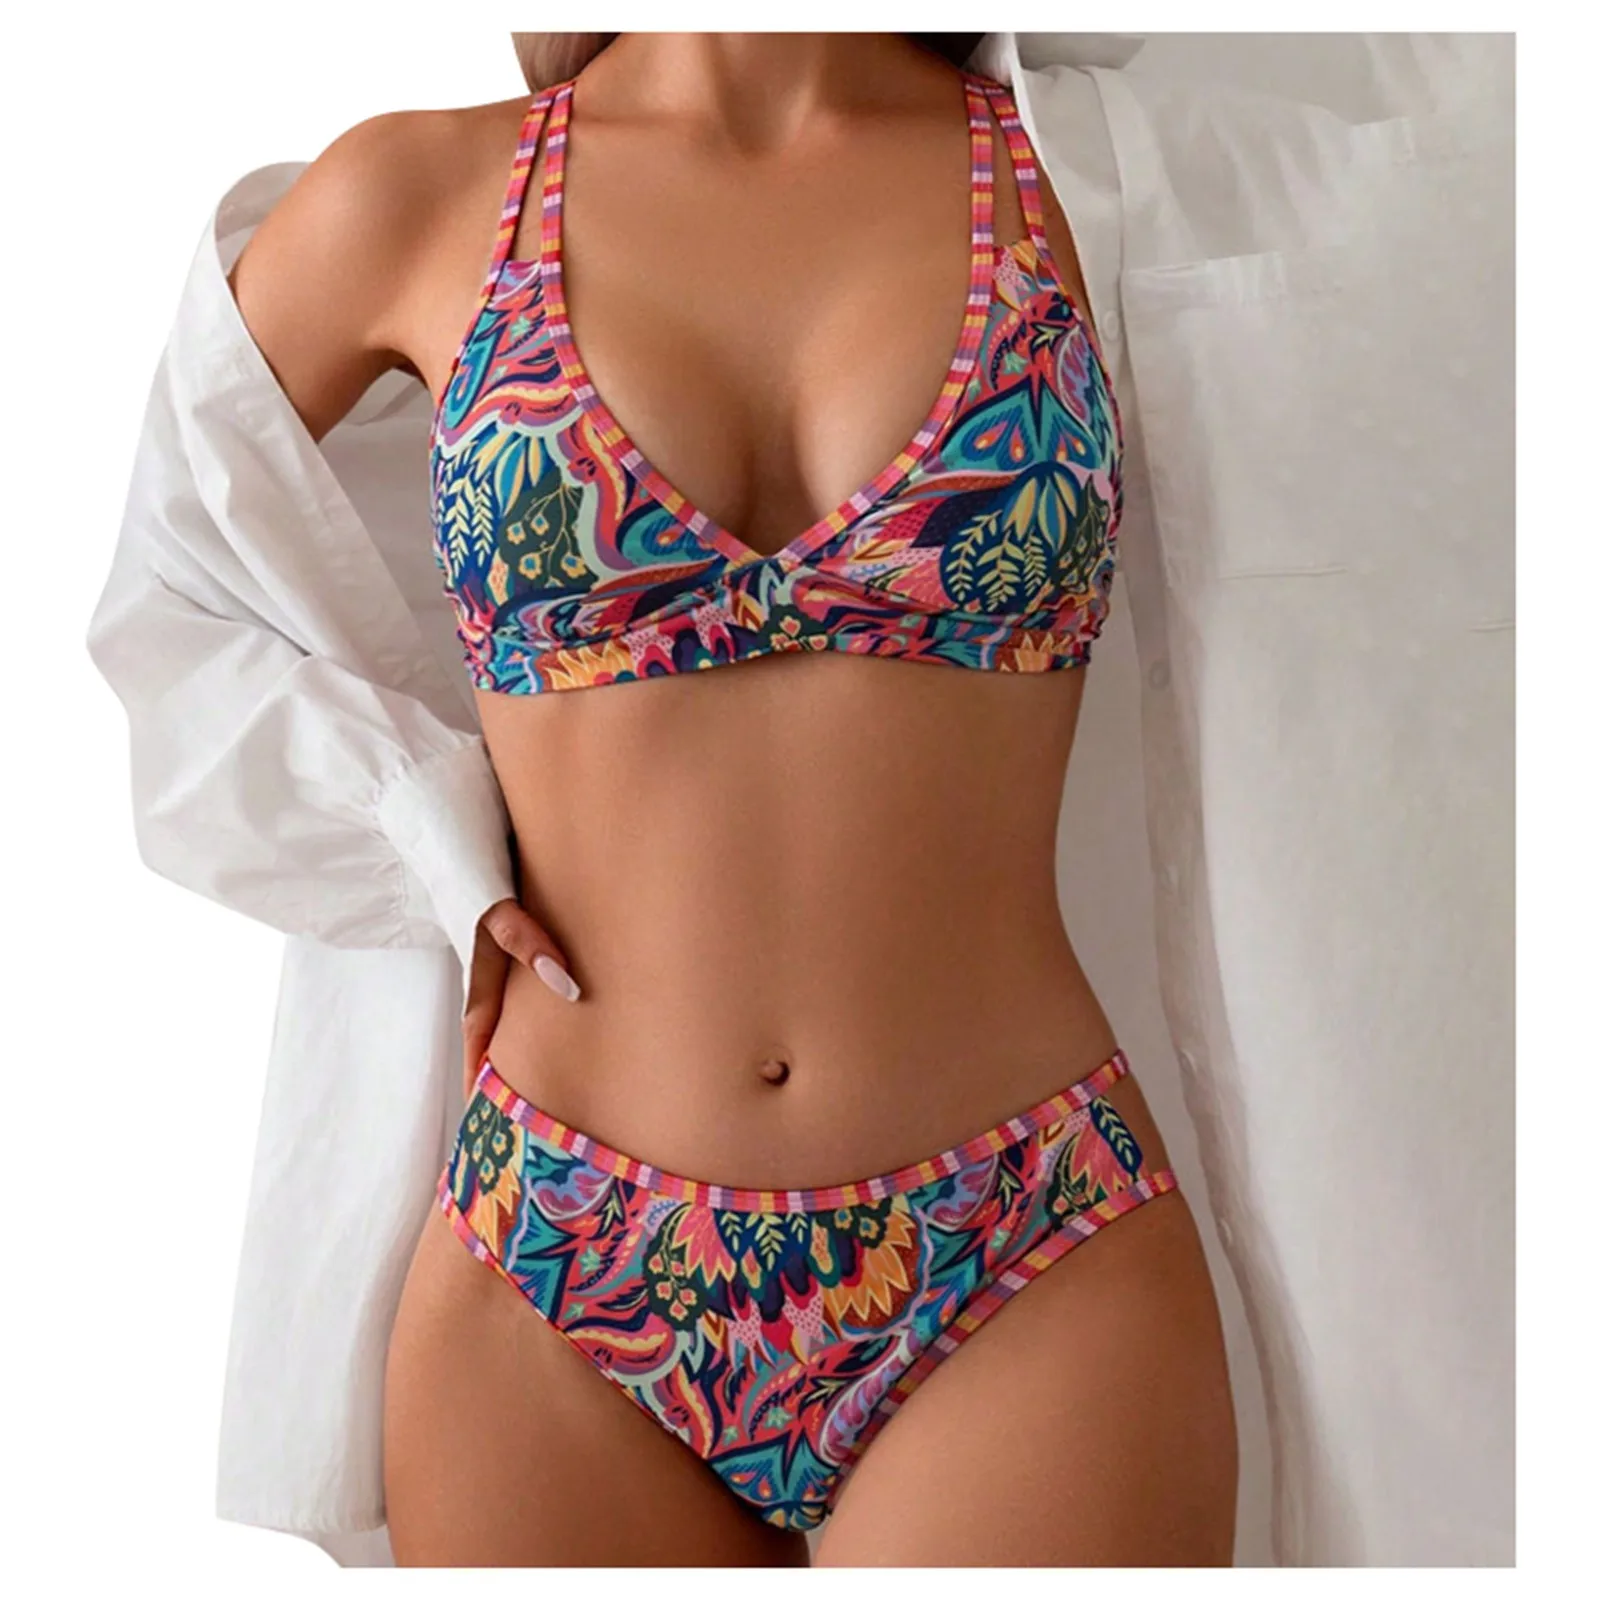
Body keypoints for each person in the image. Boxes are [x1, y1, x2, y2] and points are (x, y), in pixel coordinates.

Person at [213, 31, 1237, 1566]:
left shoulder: (1093, 177)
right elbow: (175, 594)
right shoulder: (415, 196)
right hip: (555, 1252)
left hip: (1023, 1240)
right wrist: (418, 833)